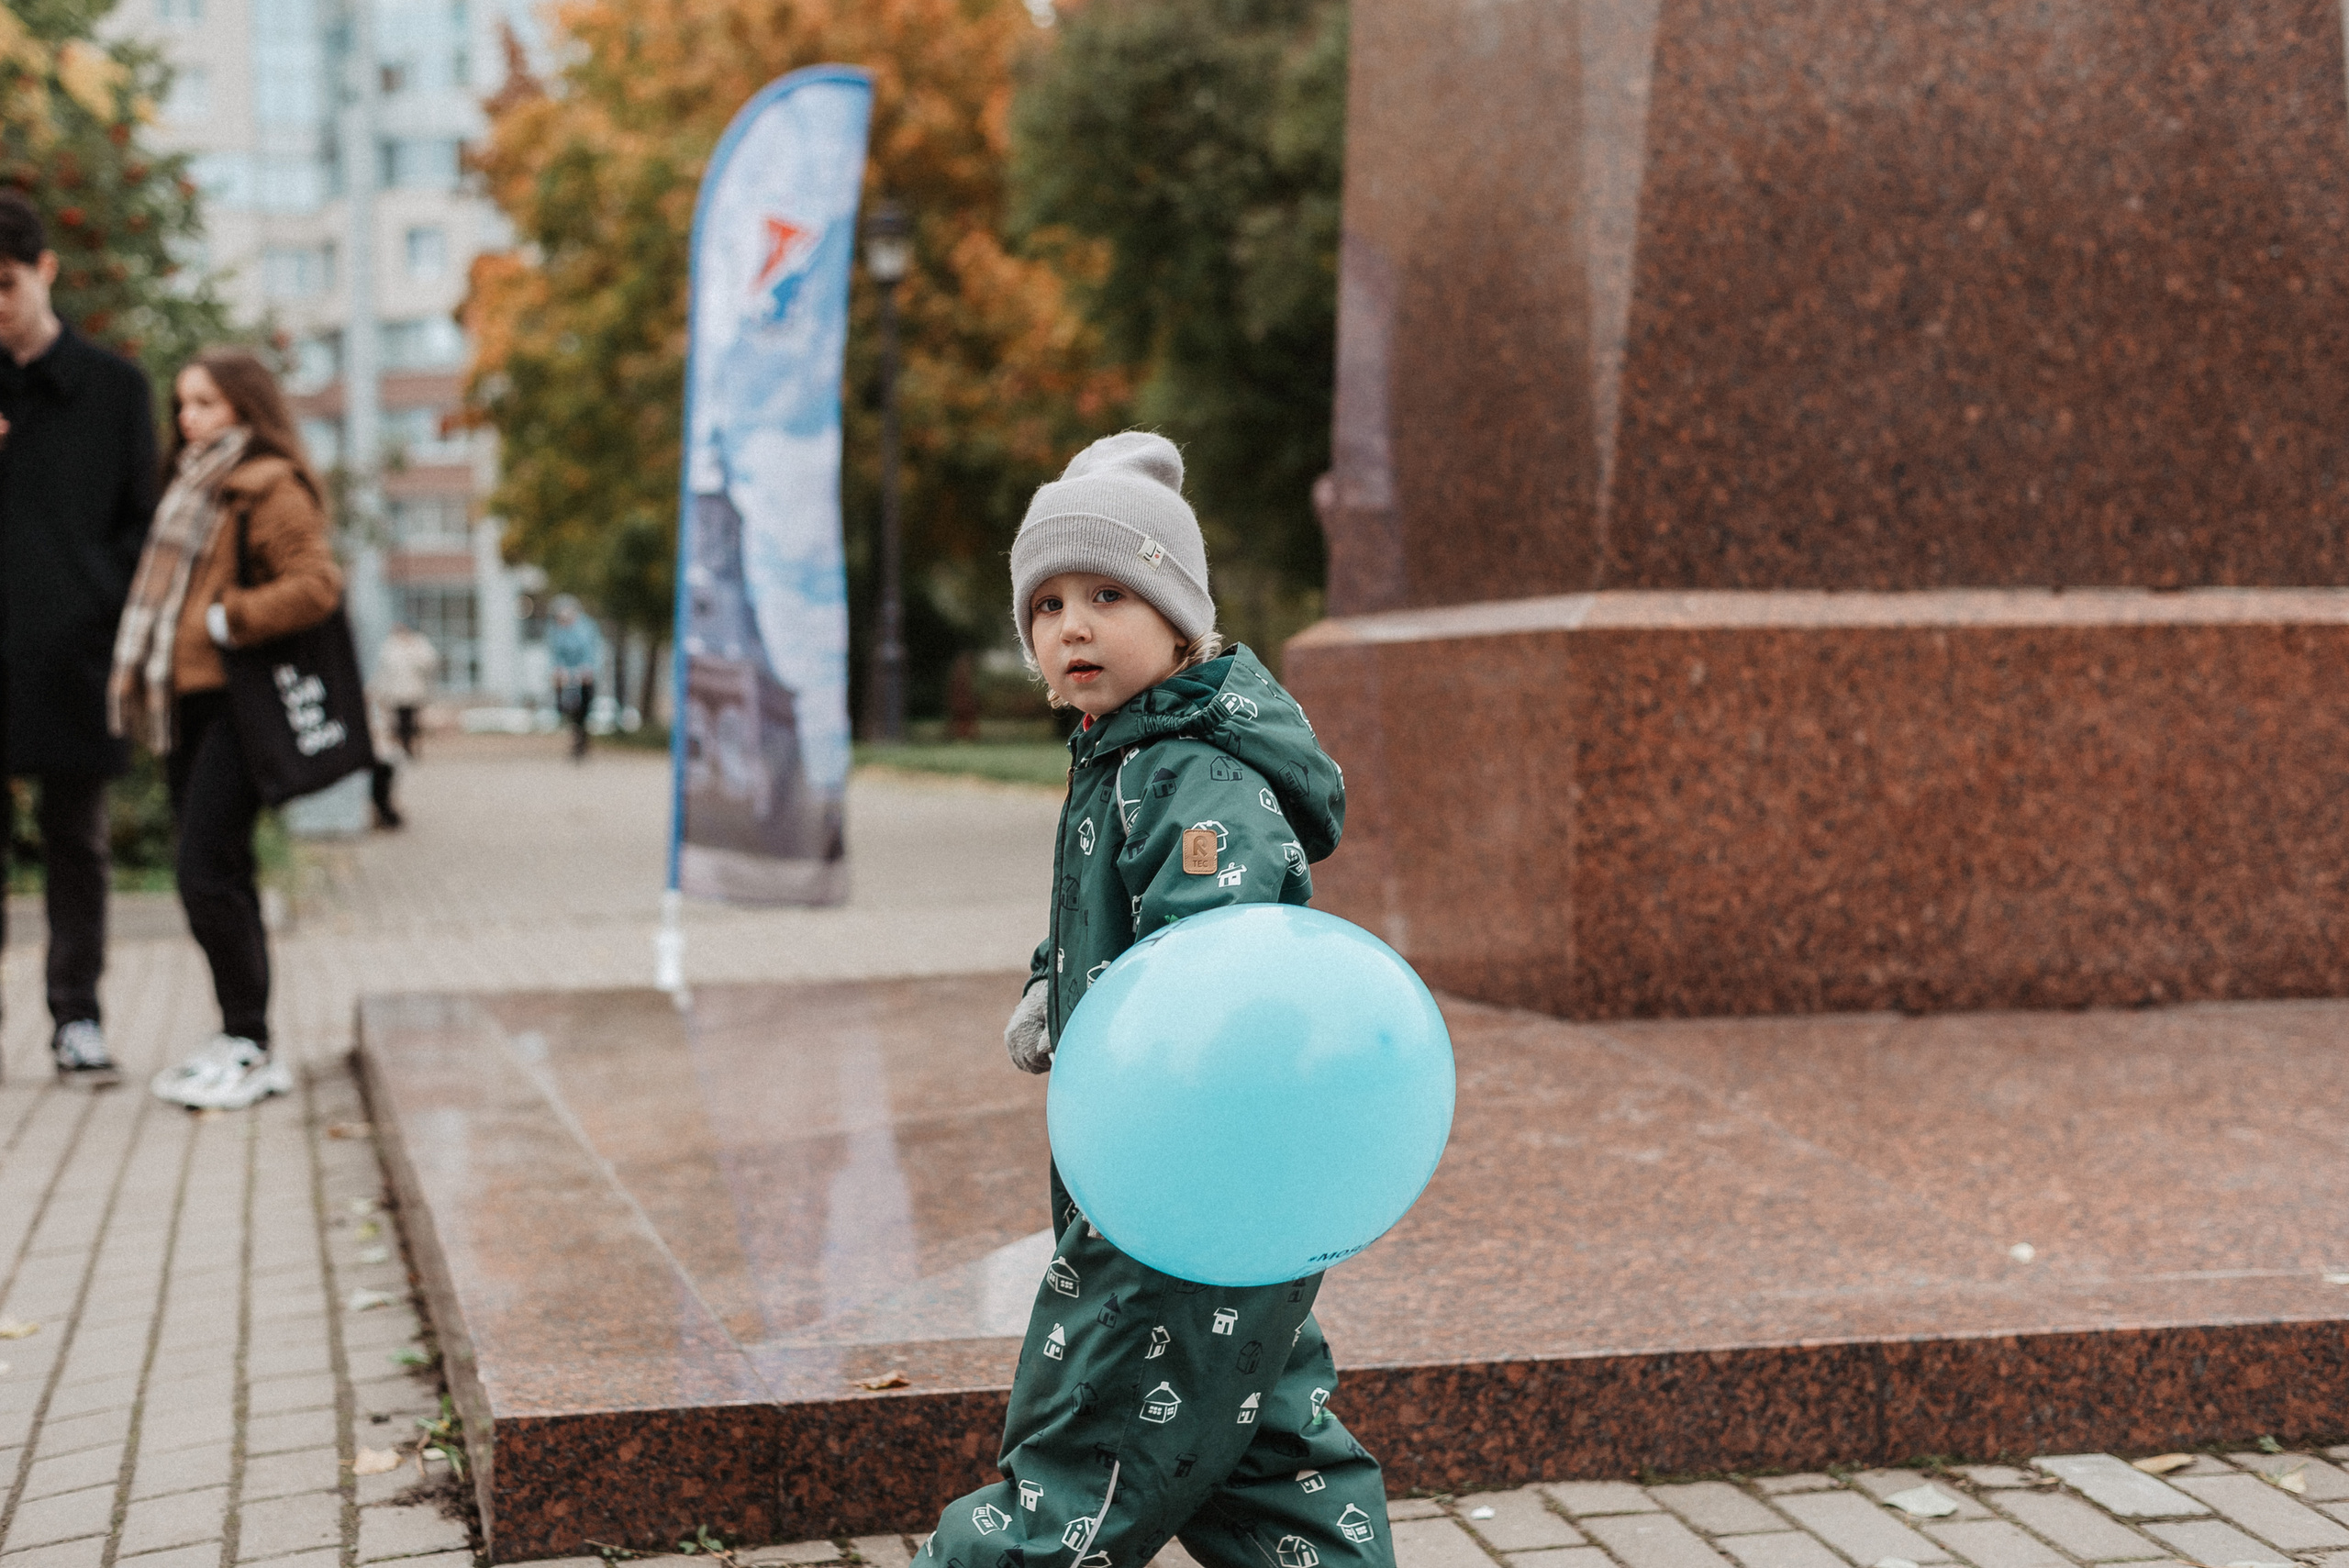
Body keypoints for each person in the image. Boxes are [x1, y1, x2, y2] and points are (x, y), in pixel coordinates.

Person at [920, 432, 1387, 1568]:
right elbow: (1111, 913)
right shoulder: (1126, 755)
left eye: (1108, 594)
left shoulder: (1194, 773)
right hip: (1202, 1186)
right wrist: (1054, 977)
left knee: (1096, 1431)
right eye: (1046, 606)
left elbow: (1212, 967)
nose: (1070, 625)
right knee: (1263, 1438)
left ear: (1181, 621)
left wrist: (1136, 1070)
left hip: (1179, 1181)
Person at [109, 348, 340, 1111]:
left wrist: (225, 618)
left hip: (242, 705)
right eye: (183, 404)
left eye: (204, 403)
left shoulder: (265, 487)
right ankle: (242, 1034)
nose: (188, 418)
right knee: (218, 873)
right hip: (194, 705)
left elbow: (316, 585)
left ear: (244, 406)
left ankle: (250, 1042)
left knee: (205, 871)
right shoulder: (192, 488)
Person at [0, 191, 158, 1087]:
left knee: (77, 842)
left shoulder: (115, 389)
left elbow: (143, 524)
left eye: (6, 284)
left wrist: (95, 605)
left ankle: (78, 1018)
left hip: (75, 652)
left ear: (46, 270)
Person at [545, 594, 603, 761]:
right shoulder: (555, 630)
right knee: (565, 707)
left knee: (584, 709)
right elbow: (554, 654)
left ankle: (582, 741)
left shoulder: (587, 628)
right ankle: (575, 735)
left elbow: (592, 652)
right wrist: (557, 670)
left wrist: (588, 670)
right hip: (566, 675)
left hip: (584, 675)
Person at [373, 622, 437, 759]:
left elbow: (428, 665)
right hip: (396, 693)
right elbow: (384, 671)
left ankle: (414, 747)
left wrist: (411, 650)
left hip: (414, 692)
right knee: (400, 723)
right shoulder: (390, 647)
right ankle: (404, 748)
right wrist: (381, 692)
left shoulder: (418, 644)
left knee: (414, 721)